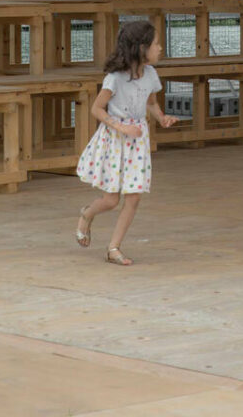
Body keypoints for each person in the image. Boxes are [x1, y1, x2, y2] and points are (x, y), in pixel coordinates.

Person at [75, 19, 178, 265]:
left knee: (134, 197)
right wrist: (120, 126)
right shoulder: (115, 78)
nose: (160, 48)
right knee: (111, 200)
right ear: (141, 48)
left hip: (137, 140)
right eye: (155, 43)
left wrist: (161, 118)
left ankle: (114, 247)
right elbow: (97, 109)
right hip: (115, 138)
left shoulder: (151, 74)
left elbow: (151, 102)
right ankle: (87, 214)